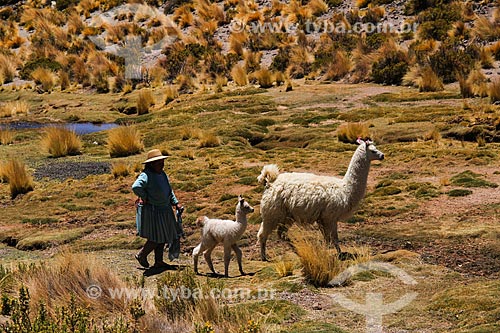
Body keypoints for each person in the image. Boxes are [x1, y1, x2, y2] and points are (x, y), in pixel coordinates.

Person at [132, 149, 183, 269]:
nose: (162, 164)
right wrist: (145, 197)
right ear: (151, 164)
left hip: (165, 209)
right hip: (154, 210)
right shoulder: (146, 175)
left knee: (164, 236)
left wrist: (175, 202)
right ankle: (142, 255)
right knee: (156, 237)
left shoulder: (162, 174)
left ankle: (158, 261)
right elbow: (136, 187)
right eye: (158, 162)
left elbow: (169, 190)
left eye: (162, 161)